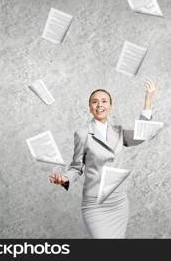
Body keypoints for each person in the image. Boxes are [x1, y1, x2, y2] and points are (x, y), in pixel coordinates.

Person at [48, 79, 158, 238]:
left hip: (118, 201)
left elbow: (142, 135)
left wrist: (148, 98)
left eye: (104, 101)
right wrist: (64, 178)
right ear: (90, 108)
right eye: (95, 102)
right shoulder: (82, 134)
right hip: (95, 203)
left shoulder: (119, 132)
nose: (99, 105)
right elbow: (76, 168)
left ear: (110, 106)